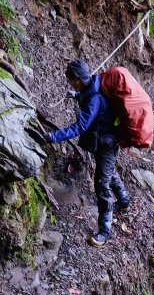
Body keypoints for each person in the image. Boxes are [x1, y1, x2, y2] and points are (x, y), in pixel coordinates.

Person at [44, 59, 130, 247]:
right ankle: (123, 199)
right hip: (103, 140)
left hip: (107, 142)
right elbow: (91, 96)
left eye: (71, 81)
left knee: (101, 183)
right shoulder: (94, 84)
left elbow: (81, 126)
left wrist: (54, 136)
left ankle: (104, 231)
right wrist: (75, 95)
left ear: (78, 79)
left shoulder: (93, 99)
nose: (70, 83)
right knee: (107, 170)